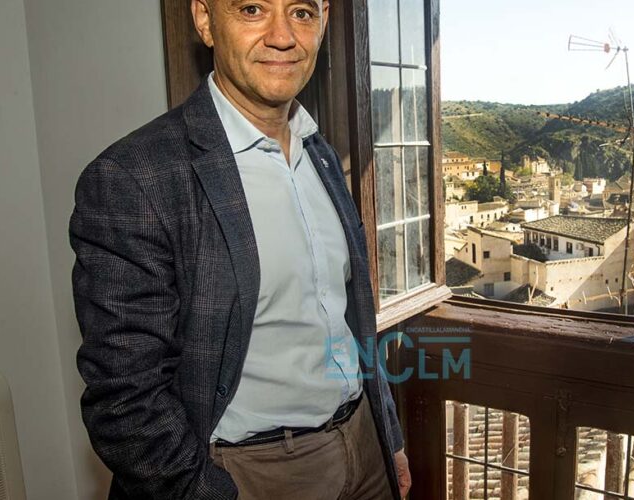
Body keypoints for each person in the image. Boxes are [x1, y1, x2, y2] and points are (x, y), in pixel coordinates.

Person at [69, 0, 411, 498]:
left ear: (323, 23)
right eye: (252, 9)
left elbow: (350, 320)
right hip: (250, 472)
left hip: (364, 448)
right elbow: (125, 398)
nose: (281, 35)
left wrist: (388, 438)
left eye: (301, 12)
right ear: (205, 20)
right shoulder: (134, 178)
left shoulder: (321, 153)